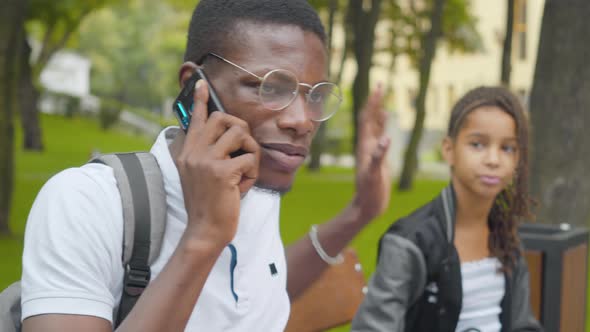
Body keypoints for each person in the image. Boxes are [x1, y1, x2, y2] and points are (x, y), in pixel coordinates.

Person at [20, 1, 392, 331]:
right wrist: (204, 237)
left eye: (315, 96)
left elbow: (256, 293)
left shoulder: (257, 193)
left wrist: (360, 212)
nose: (302, 120)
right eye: (270, 88)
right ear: (196, 85)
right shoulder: (86, 202)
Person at [351, 86, 543, 332]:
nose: (493, 159)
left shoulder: (506, 238)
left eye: (507, 148)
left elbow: (522, 325)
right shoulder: (410, 243)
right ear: (449, 150)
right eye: (477, 144)